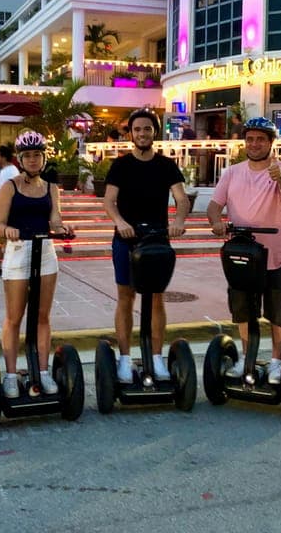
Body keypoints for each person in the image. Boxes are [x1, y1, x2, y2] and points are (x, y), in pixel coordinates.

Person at [206, 116, 281, 384]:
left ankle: (277, 364)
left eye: (260, 139)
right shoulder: (232, 173)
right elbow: (214, 206)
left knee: (279, 310)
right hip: (243, 253)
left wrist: (280, 176)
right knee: (243, 308)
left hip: (277, 252)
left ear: (270, 142)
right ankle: (247, 358)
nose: (254, 144)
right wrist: (216, 222)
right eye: (250, 139)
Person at [103, 108, 189, 383]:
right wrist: (119, 222)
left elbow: (182, 199)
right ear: (130, 133)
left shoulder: (166, 165)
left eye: (147, 129)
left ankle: (155, 356)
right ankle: (126, 359)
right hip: (126, 240)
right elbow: (109, 201)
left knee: (156, 299)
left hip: (156, 240)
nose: (142, 134)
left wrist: (178, 221)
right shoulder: (121, 165)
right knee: (126, 297)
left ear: (155, 133)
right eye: (137, 129)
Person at [0, 130, 72, 399]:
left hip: (45, 252)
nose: (34, 160)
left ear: (44, 157)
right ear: (20, 159)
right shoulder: (10, 187)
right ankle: (12, 375)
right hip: (18, 252)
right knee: (14, 317)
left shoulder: (51, 188)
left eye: (38, 155)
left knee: (42, 316)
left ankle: (43, 371)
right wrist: (7, 230)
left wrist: (63, 229)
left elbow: (55, 220)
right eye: (28, 156)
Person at [0, 144, 21, 279]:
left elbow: (5, 193)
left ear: (3, 156)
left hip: (8, 211)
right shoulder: (8, 170)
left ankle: (7, 266)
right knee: (4, 240)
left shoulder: (10, 171)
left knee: (6, 240)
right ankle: (5, 265)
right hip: (5, 210)